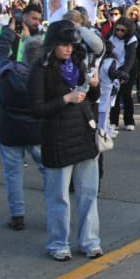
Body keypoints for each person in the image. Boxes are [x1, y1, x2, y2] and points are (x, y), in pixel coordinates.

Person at [29, 21, 102, 262]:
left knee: (88, 194)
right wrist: (65, 99)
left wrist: (94, 86)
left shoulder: (78, 64)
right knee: (58, 196)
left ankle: (90, 241)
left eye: (71, 44)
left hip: (83, 134)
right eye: (63, 44)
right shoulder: (40, 69)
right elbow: (36, 108)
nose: (68, 49)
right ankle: (59, 243)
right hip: (57, 139)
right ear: (52, 44)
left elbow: (91, 98)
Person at [0, 20, 45, 233]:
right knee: (49, 172)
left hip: (10, 130)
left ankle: (17, 215)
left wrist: (8, 33)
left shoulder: (7, 70)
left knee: (13, 174)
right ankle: (56, 212)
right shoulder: (45, 76)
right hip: (37, 130)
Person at [108, 16, 138, 132]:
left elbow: (130, 58)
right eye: (118, 29)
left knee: (126, 94)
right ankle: (113, 121)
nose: (119, 32)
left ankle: (129, 121)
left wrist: (124, 74)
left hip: (128, 68)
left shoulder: (132, 39)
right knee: (114, 95)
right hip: (113, 67)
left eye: (122, 30)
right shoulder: (111, 36)